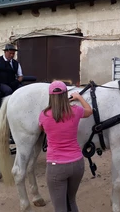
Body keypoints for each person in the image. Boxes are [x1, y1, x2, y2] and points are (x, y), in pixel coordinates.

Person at [39, 80, 93, 212]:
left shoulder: (44, 115)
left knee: (60, 208)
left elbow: (42, 129)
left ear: (50, 96)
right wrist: (79, 97)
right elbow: (89, 111)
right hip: (77, 164)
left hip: (56, 167)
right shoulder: (75, 111)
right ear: (65, 95)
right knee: (71, 201)